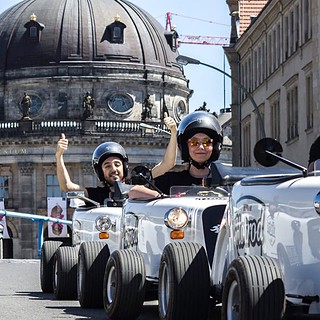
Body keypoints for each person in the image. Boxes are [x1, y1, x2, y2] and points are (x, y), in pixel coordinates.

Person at [56, 114, 177, 204]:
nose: (113, 169)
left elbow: (168, 164)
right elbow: (66, 186)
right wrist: (59, 156)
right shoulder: (96, 194)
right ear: (101, 172)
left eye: (117, 164)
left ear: (124, 167)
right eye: (107, 166)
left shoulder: (139, 181)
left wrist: (173, 133)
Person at [128, 111, 223, 198]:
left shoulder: (225, 181)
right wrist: (166, 198)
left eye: (207, 142)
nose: (201, 147)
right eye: (194, 142)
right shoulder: (172, 180)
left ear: (214, 146)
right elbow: (134, 191)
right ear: (186, 147)